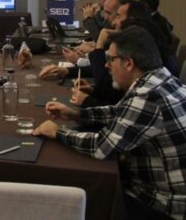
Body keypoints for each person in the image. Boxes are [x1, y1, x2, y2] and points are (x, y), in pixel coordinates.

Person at [33, 26, 186, 220]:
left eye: (111, 59)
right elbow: (119, 111)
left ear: (128, 63)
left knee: (80, 197)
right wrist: (76, 114)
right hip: (167, 193)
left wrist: (58, 132)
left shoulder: (147, 96)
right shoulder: (161, 79)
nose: (106, 66)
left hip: (163, 206)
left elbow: (101, 147)